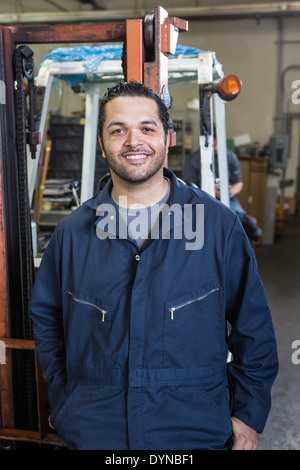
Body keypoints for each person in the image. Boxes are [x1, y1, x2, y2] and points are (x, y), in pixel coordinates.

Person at [29, 80, 278, 451]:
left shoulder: (217, 227)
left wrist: (247, 414)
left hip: (191, 429)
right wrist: (66, 397)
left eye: (147, 128)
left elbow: (253, 327)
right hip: (96, 428)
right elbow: (47, 319)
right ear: (101, 143)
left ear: (168, 138)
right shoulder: (72, 235)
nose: (134, 141)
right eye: (118, 130)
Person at [182, 139, 263, 242]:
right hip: (201, 199)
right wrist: (210, 191)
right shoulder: (193, 160)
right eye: (212, 145)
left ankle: (246, 224)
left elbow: (238, 183)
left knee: (236, 215)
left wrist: (230, 192)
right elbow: (188, 188)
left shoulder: (230, 157)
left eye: (218, 144)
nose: (215, 148)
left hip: (228, 198)